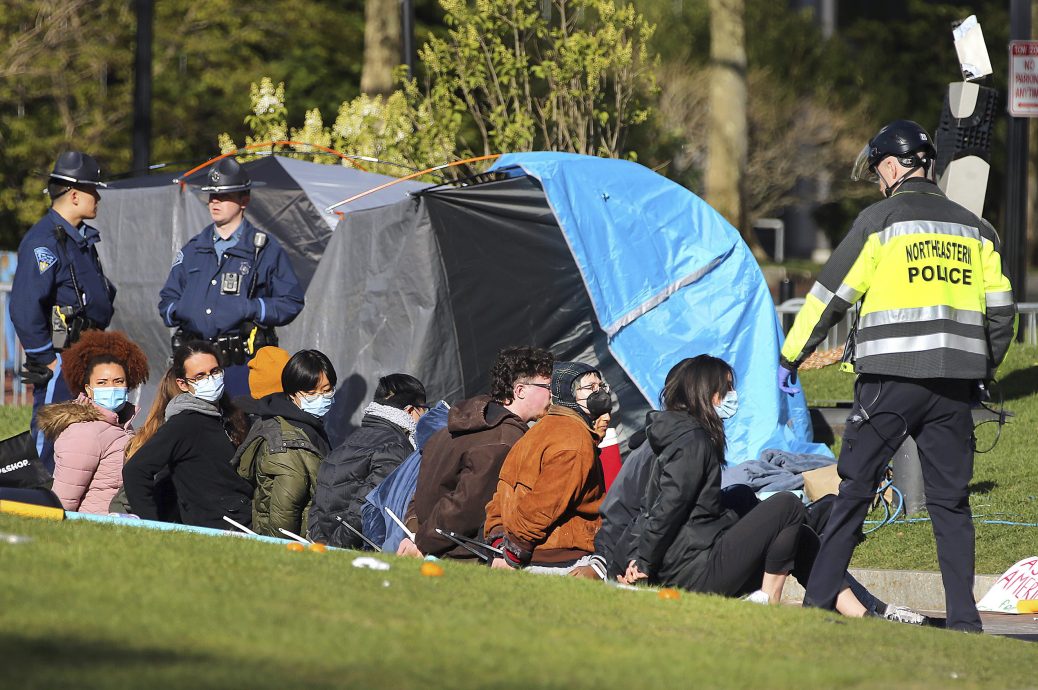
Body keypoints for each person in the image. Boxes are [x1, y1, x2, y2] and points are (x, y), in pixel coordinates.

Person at [778, 120, 1016, 632]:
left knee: (854, 491)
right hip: (955, 387)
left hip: (889, 382)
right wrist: (983, 366)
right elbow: (1002, 312)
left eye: (879, 170)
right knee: (951, 505)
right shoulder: (976, 230)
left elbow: (828, 296)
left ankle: (818, 609)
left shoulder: (879, 221)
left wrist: (790, 357)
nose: (878, 180)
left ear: (891, 166)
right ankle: (966, 623)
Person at [611, 356, 870, 614]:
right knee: (787, 504)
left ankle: (862, 613)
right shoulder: (692, 440)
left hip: (692, 561)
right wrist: (642, 562)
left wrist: (635, 560)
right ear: (708, 393)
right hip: (692, 572)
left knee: (784, 524)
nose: (733, 395)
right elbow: (668, 506)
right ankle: (768, 602)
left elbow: (653, 507)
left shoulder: (684, 436)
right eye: (728, 388)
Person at [158, 158, 304, 397]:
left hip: (241, 364)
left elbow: (292, 301)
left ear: (244, 200)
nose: (215, 201)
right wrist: (183, 309)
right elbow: (166, 301)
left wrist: (252, 307)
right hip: (196, 366)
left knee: (242, 429)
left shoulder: (265, 249)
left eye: (224, 196)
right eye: (212, 196)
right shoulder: (193, 249)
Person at [401, 346, 555, 559]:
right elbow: (465, 506)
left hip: (433, 546)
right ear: (520, 391)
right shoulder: (504, 440)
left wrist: (415, 533)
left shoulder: (456, 425)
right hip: (461, 557)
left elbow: (420, 495)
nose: (553, 393)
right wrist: (421, 542)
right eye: (547, 386)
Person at [12, 151, 115, 469]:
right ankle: (39, 496)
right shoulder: (43, 241)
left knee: (82, 434)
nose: (97, 196)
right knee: (52, 430)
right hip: (62, 354)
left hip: (86, 351)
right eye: (92, 190)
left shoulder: (79, 239)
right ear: (73, 195)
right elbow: (24, 306)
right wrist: (48, 359)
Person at [483, 361, 611, 574]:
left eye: (601, 387)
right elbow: (545, 501)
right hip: (557, 561)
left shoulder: (536, 430)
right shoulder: (574, 439)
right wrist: (515, 548)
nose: (600, 393)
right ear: (569, 394)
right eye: (590, 388)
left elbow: (502, 494)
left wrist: (499, 535)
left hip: (528, 554)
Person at [122, 341, 252, 529]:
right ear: (182, 384)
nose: (210, 379)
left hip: (243, 521)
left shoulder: (228, 416)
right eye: (199, 376)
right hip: (218, 529)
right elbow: (135, 470)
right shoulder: (184, 424)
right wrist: (154, 526)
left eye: (215, 371)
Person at [308, 374, 427, 547]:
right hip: (355, 548)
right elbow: (364, 509)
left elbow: (318, 501)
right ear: (410, 410)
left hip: (327, 540)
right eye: (424, 409)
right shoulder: (395, 447)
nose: (425, 416)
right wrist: (335, 547)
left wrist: (320, 541)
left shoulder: (351, 440)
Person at [37, 331, 147, 514]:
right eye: (102, 382)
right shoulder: (83, 433)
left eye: (118, 381)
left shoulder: (123, 424)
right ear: (88, 388)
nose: (111, 387)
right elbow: (63, 502)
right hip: (95, 530)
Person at [233, 350, 335, 538]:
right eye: (312, 393)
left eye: (327, 390)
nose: (321, 398)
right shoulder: (286, 443)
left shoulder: (308, 426)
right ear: (292, 393)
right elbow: (284, 517)